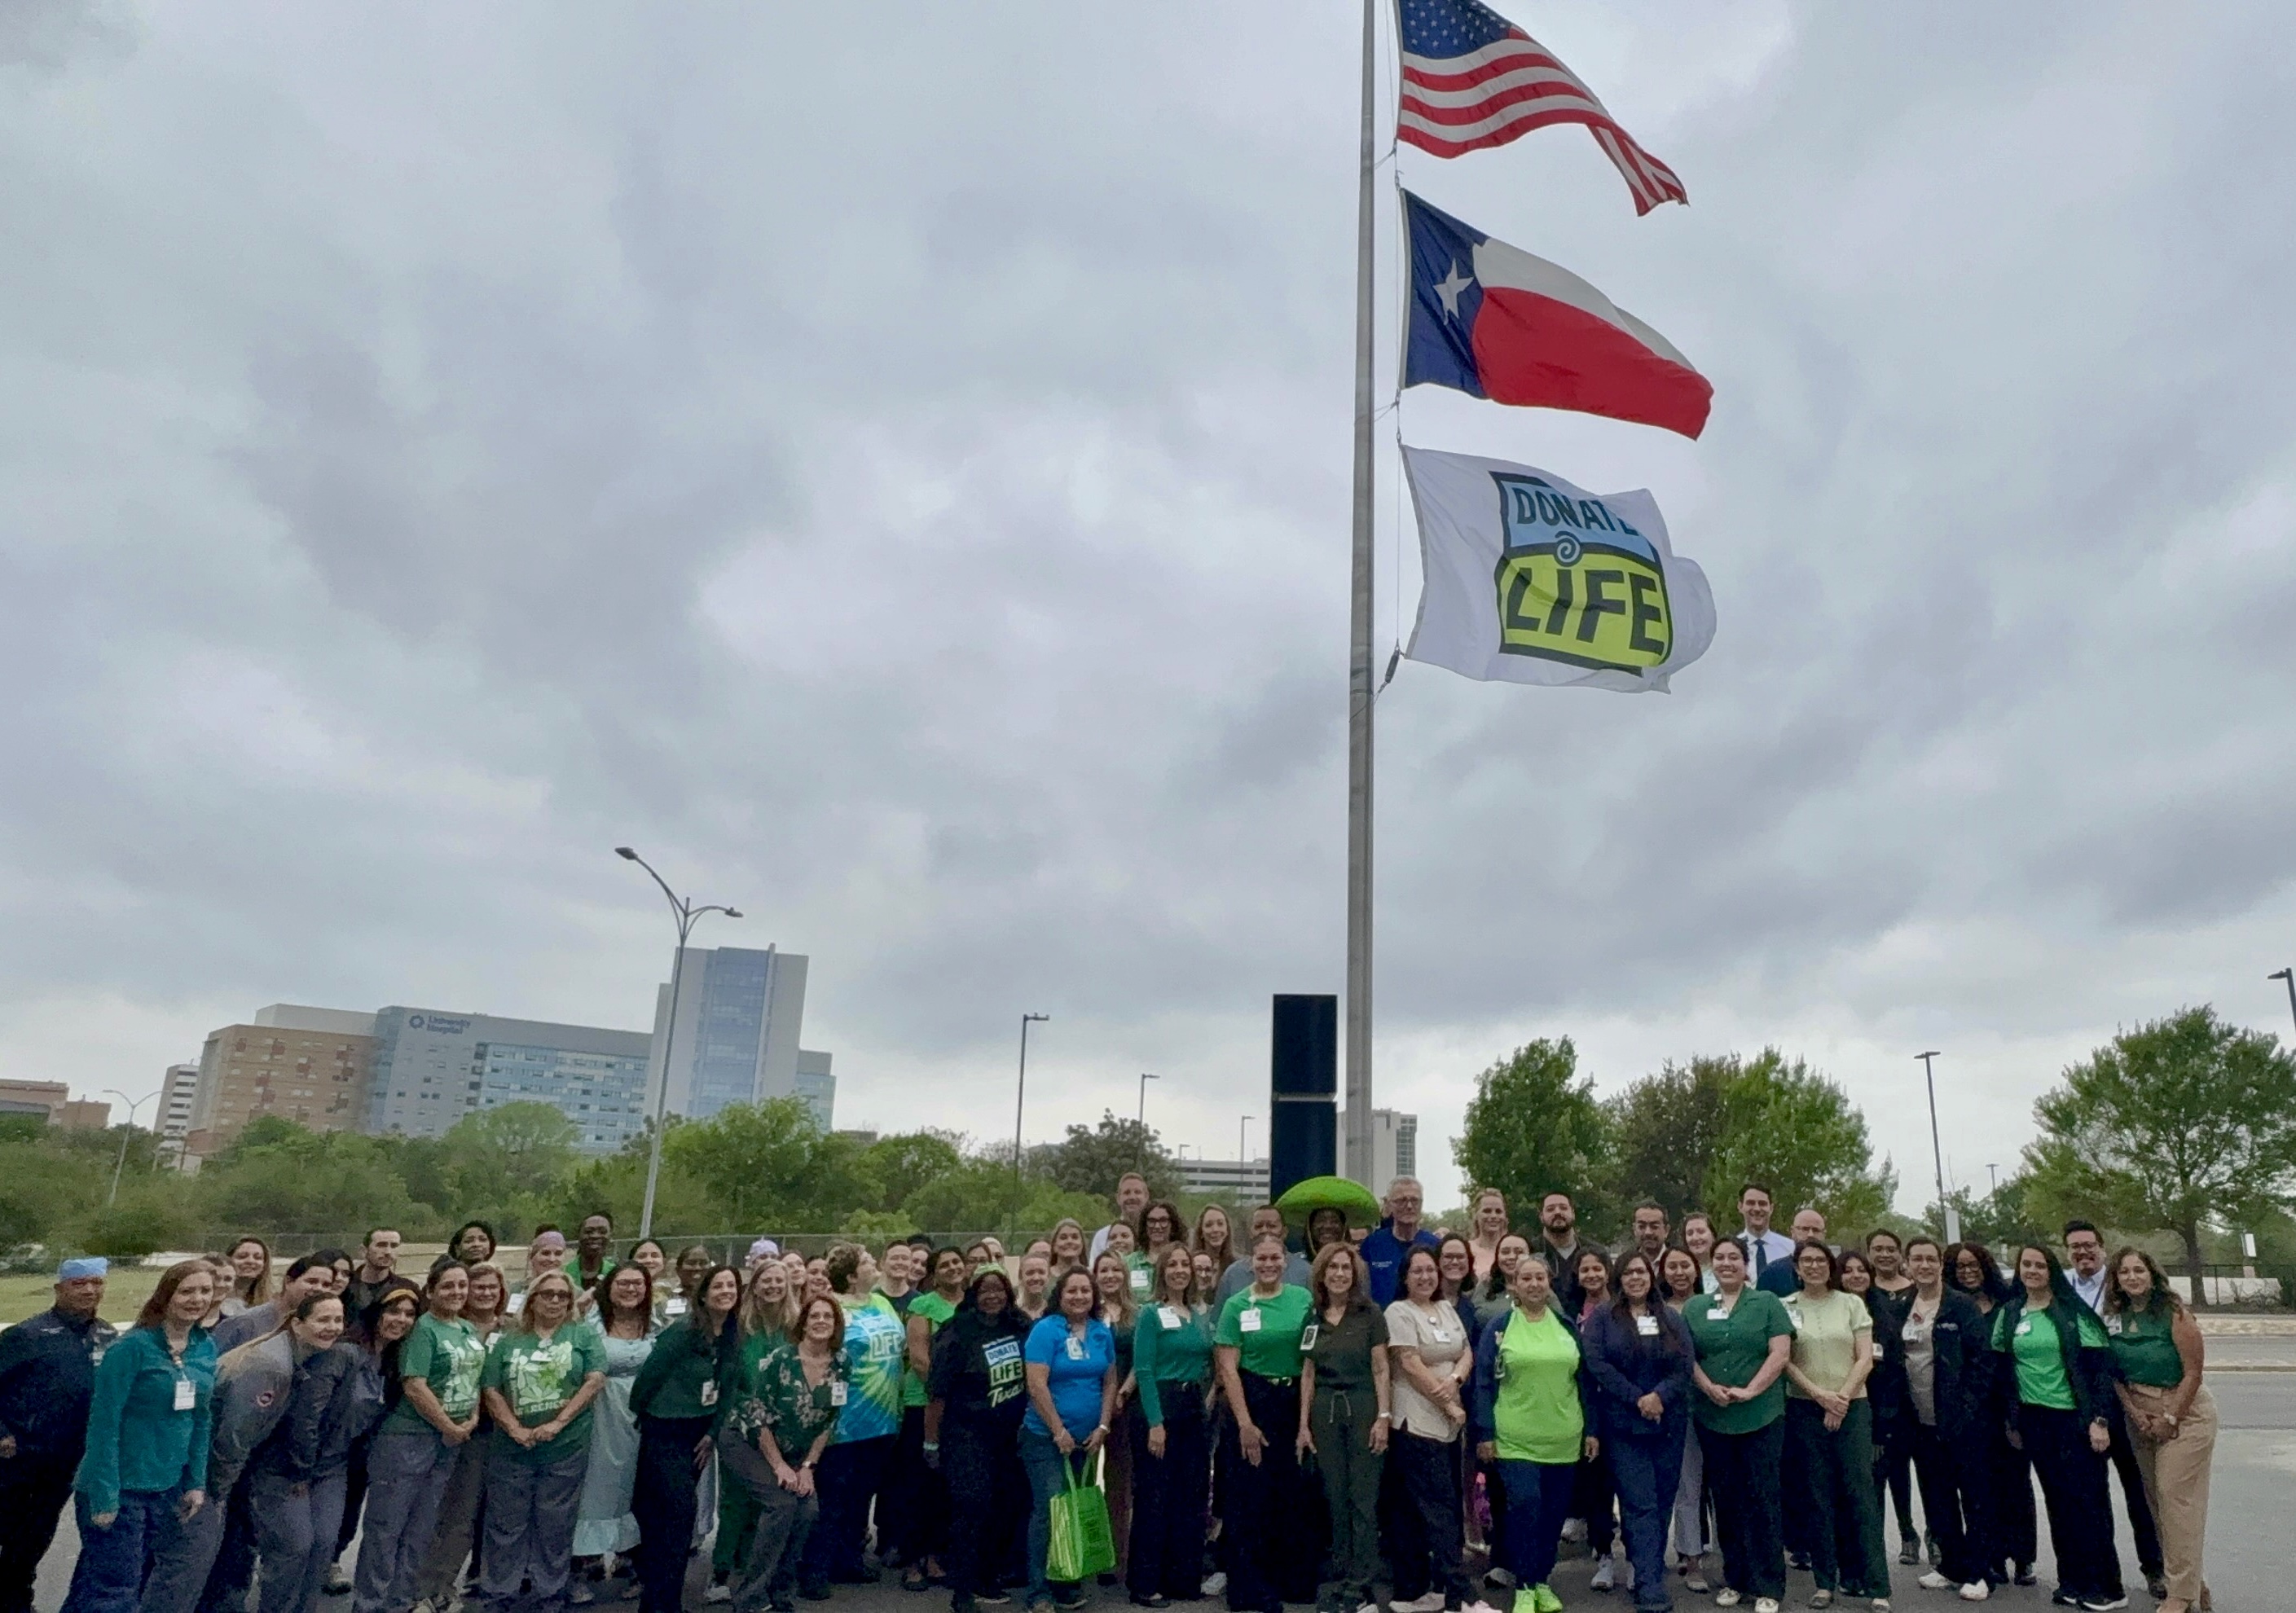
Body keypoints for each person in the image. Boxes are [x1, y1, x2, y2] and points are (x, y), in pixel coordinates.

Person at [61, 1259, 218, 1613]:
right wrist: (104, 1497)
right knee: (116, 1592)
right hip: (118, 1487)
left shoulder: (205, 1347)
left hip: (165, 1488)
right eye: (187, 1291)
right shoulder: (132, 1348)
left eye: (205, 1291)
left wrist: (195, 1482)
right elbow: (103, 1424)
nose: (197, 1299)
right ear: (166, 1295)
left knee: (103, 1584)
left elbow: (200, 1419)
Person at [1993, 1245, 2121, 1612]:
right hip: (2035, 1421)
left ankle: (2106, 1587)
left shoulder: (2071, 1313)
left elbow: (2100, 1371)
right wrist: (2012, 1420)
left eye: (2039, 1265)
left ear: (2051, 1270)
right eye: (2026, 1265)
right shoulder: (2010, 1314)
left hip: (2076, 1421)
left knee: (2088, 1503)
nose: (2032, 1271)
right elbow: (2003, 1371)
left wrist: (2100, 1420)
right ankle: (2072, 1582)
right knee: (2058, 1504)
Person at [476, 1271, 609, 1613]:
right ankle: (499, 1591)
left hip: (565, 1446)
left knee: (556, 1523)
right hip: (512, 1449)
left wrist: (559, 1422)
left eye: (562, 1296)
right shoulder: (508, 1340)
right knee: (506, 1523)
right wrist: (513, 1427)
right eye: (547, 1294)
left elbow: (594, 1380)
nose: (554, 1301)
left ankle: (549, 1590)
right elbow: (491, 1388)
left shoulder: (583, 1335)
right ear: (532, 1298)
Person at [354, 1263, 484, 1613]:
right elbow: (414, 1385)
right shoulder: (423, 1329)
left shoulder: (468, 1329)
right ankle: (369, 1603)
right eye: (448, 1286)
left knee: (421, 1527)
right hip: (408, 1438)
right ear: (431, 1291)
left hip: (450, 1442)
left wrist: (470, 1418)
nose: (457, 1292)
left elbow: (473, 1380)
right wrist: (449, 1426)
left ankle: (400, 1600)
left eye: (462, 1285)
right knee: (387, 1527)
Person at [1471, 1251, 1594, 1613]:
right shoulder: (1499, 1328)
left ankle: (1542, 1581)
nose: (1534, 1284)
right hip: (1515, 1439)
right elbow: (1482, 1384)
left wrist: (1592, 1430)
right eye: (1526, 1278)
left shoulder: (1566, 1325)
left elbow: (1583, 1381)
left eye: (1540, 1278)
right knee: (1525, 1507)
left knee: (1553, 1515)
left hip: (1563, 1438)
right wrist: (1485, 1434)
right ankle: (1524, 1586)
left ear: (1549, 1284)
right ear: (1515, 1285)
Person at [244, 1291, 377, 1613]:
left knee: (322, 1545)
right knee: (294, 1547)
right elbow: (300, 1421)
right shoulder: (276, 1359)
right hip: (283, 1467)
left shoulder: (344, 1355)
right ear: (298, 1324)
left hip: (329, 1467)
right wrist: (300, 1468)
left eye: (336, 1320)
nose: (330, 1327)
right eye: (322, 1320)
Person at [0, 1256, 119, 1613]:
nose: (88, 1290)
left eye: (95, 1283)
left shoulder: (108, 1337)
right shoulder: (26, 1335)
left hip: (67, 1462)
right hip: (18, 1458)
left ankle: (16, 1601)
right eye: (78, 1283)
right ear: (59, 1289)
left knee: (34, 1539)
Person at [1779, 1241, 1889, 1610]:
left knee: (1861, 1495)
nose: (1814, 1267)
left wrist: (1840, 1399)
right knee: (1817, 1496)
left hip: (1853, 1407)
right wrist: (1819, 1396)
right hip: (1805, 1409)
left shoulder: (1851, 1303)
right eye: (1806, 1261)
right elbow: (1785, 1361)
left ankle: (1878, 1586)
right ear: (1797, 1267)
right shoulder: (1785, 1308)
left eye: (1820, 1260)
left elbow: (1865, 1357)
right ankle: (1825, 1582)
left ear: (1831, 1267)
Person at [1581, 1251, 1692, 1613]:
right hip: (1625, 1426)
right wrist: (1638, 1399)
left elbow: (1684, 1365)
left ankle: (1649, 1569)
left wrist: (1659, 1397)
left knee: (1662, 1504)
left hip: (1667, 1424)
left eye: (1641, 1271)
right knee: (1639, 1504)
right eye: (1628, 1272)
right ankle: (1649, 1585)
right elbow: (1597, 1365)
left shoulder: (1670, 1318)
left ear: (1651, 1276)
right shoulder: (1603, 1319)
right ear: (1619, 1278)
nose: (1635, 1278)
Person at [721, 1294, 846, 1613]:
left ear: (836, 1325)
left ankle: (780, 1591)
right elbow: (758, 1416)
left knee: (807, 1510)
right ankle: (749, 1598)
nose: (820, 1322)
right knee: (781, 1504)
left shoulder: (841, 1362)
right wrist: (779, 1466)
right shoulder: (781, 1359)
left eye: (827, 1317)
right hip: (747, 1440)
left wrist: (807, 1467)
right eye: (814, 1316)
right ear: (803, 1323)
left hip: (795, 1453)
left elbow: (829, 1421)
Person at [1685, 1237, 1790, 1613]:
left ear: (1746, 1265)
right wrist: (1708, 1387)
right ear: (1711, 1265)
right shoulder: (1697, 1307)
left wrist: (1751, 1390)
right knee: (1725, 1501)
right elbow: (1689, 1356)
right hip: (1713, 1416)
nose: (1727, 1263)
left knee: (1762, 1499)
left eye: (1734, 1257)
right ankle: (1736, 1579)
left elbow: (1780, 1353)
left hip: (1761, 1416)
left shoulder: (1767, 1304)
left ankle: (1769, 1586)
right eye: (1720, 1258)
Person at [2105, 1247, 2212, 1613]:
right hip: (2140, 1414)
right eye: (2124, 1272)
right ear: (2116, 1279)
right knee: (2157, 1505)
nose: (2132, 1277)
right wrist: (2134, 1413)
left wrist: (2170, 1419)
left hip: (2184, 1414)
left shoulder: (2174, 1314)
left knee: (2174, 1498)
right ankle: (2192, 1583)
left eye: (2139, 1270)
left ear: (2152, 1274)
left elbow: (2194, 1372)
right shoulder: (2112, 1317)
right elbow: (2113, 1373)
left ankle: (2180, 1595)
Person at [1213, 1234, 1317, 1613]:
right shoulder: (1237, 1305)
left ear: (1285, 1262)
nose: (1268, 1264)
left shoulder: (1303, 1301)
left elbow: (1309, 1362)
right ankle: (1249, 1589)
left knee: (1289, 1495)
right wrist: (1244, 1423)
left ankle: (1290, 1581)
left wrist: (1304, 1421)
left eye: (1275, 1258)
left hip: (1291, 1400)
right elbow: (1227, 1366)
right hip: (1252, 1399)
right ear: (1251, 1262)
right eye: (1261, 1258)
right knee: (1249, 1498)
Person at [2062, 1222, 2165, 1599]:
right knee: (2091, 1498)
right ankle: (2103, 1576)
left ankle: (2155, 1568)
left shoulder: (2120, 1284)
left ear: (2102, 1248)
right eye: (2075, 1247)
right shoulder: (2062, 1288)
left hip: (2125, 1403)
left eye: (2089, 1246)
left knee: (2140, 1493)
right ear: (2067, 1252)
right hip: (2079, 1406)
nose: (2083, 1253)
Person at [630, 1266, 737, 1613]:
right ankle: (659, 1601)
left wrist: (712, 1433)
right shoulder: (683, 1333)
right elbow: (648, 1378)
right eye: (718, 1285)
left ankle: (663, 1601)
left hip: (699, 1434)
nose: (725, 1291)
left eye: (731, 1285)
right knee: (677, 1514)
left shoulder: (733, 1335)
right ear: (703, 1295)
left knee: (674, 1526)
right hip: (665, 1431)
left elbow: (728, 1390)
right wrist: (645, 1416)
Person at [802, 1246, 905, 1593]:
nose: (874, 1264)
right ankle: (815, 1570)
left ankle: (849, 1561)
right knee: (832, 1500)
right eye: (866, 1262)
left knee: (861, 1497)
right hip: (842, 1421)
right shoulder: (832, 1308)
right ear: (849, 1275)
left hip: (882, 1421)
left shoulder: (881, 1303)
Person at [1895, 1238, 1992, 1602]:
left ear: (1940, 1264)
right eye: (1917, 1258)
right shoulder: (1903, 1304)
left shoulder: (1961, 1306)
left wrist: (1966, 1409)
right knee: (1937, 1498)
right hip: (1921, 1422)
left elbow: (1982, 1362)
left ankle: (1981, 1571)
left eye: (1930, 1259)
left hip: (1962, 1423)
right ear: (1908, 1264)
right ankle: (1951, 1565)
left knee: (1975, 1497)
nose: (1924, 1265)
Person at [929, 1268, 1030, 1613]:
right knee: (971, 1506)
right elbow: (938, 1393)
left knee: (1004, 1507)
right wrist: (931, 1443)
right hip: (966, 1433)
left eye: (999, 1290)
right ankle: (962, 1588)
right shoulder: (957, 1331)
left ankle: (990, 1575)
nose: (992, 1296)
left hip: (1010, 1435)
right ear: (974, 1295)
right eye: (984, 1291)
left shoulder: (1020, 1326)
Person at [1297, 1244, 1390, 1613]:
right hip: (1324, 1411)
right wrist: (1303, 1425)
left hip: (1364, 1406)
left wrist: (1384, 1417)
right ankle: (1342, 1575)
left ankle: (1362, 1583)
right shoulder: (1313, 1317)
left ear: (1355, 1275)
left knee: (1363, 1499)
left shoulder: (1370, 1314)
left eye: (1346, 1268)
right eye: (1332, 1267)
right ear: (1322, 1274)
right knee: (1335, 1497)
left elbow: (1382, 1368)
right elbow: (1308, 1372)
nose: (1339, 1273)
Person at [1022, 1267, 1119, 1613]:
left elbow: (1109, 1381)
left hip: (1087, 1440)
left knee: (1074, 1510)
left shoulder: (1100, 1333)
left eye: (1085, 1291)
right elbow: (1036, 1385)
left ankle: (1067, 1581)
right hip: (1044, 1438)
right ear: (1059, 1296)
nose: (1079, 1297)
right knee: (1050, 1509)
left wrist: (1104, 1427)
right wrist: (1058, 1431)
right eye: (1071, 1291)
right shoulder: (1045, 1331)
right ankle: (1038, 1590)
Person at [1383, 1245, 1474, 1613]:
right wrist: (1449, 1402)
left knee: (1434, 1508)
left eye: (1430, 1270)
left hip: (1449, 1428)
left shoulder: (1446, 1308)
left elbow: (1466, 1350)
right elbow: (1410, 1364)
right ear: (1405, 1277)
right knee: (1437, 1511)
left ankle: (1419, 1592)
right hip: (1417, 1424)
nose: (1425, 1277)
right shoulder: (1398, 1312)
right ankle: (1460, 1594)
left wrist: (1456, 1378)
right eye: (1417, 1271)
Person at [416, 1263, 509, 1611]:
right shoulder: (446, 1328)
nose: (485, 1293)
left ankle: (450, 1583)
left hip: (499, 1433)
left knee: (472, 1517)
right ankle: (425, 1586)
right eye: (477, 1287)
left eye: (492, 1288)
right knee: (446, 1512)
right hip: (453, 1431)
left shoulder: (513, 1328)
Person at [1128, 1243, 1212, 1608]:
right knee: (1154, 1498)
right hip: (1160, 1405)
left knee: (1190, 1497)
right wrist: (1155, 1422)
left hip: (1193, 1408)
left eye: (1185, 1265)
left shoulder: (1197, 1314)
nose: (1180, 1270)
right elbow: (1144, 1369)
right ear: (1162, 1272)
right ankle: (1145, 1583)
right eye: (1173, 1265)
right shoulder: (1150, 1314)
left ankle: (1182, 1578)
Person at [1946, 1241, 2033, 1588]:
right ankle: (1992, 1556)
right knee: (1980, 1487)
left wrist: (2014, 1416)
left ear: (1986, 1267)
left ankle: (2023, 1557)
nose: (1967, 1272)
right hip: (1969, 1410)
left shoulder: (2009, 1306)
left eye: (1973, 1265)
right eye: (1959, 1267)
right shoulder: (1950, 1308)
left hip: (2008, 1406)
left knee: (2016, 1484)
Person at [573, 1266, 659, 1587]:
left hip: (643, 1415)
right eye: (623, 1283)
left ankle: (630, 1559)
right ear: (608, 1288)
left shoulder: (656, 1324)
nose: (631, 1289)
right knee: (594, 1485)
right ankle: (584, 1562)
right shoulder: (590, 1326)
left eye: (638, 1283)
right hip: (600, 1410)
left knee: (635, 1485)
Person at [897, 1246, 967, 1592]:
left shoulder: (970, 1305)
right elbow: (920, 1360)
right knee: (918, 1483)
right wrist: (942, 1395)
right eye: (945, 1265)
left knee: (946, 1488)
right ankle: (913, 1560)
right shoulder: (922, 1307)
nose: (953, 1268)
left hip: (961, 1412)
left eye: (957, 1262)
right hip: (923, 1405)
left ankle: (937, 1557)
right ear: (933, 1274)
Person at [1858, 1233, 1920, 1567]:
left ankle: (1924, 1534)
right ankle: (1886, 1541)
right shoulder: (1863, 1295)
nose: (1884, 1255)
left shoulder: (1916, 1293)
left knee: (1919, 1471)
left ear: (1901, 1254)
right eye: (1877, 1249)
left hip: (1917, 1395)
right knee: (1882, 1469)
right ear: (1869, 1254)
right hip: (1878, 1397)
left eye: (1891, 1249)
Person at [1657, 1246, 1712, 1593]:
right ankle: (1691, 1558)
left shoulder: (1713, 1305)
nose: (1679, 1272)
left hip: (1717, 1403)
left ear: (1696, 1270)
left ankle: (1729, 1554)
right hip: (1677, 1408)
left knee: (1723, 1486)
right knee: (1687, 1485)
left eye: (1685, 1266)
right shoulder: (1657, 1311)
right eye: (1672, 1266)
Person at [1567, 1250, 1619, 1584]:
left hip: (1621, 1405)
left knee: (1626, 1487)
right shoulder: (1569, 1313)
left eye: (1597, 1268)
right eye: (1585, 1269)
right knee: (1596, 1485)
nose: (1591, 1275)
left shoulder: (1623, 1308)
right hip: (1586, 1407)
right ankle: (1604, 1554)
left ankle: (1639, 1559)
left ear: (1608, 1272)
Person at [1092, 1250, 1141, 1584]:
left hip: (1127, 1403)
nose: (1110, 1275)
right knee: (1081, 1481)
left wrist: (1123, 1391)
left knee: (1120, 1486)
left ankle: (1117, 1559)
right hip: (1088, 1405)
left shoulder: (1136, 1315)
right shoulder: (1085, 1311)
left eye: (1115, 1270)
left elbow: (1144, 1358)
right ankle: (1083, 1553)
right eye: (1103, 1270)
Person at [211, 1256, 336, 1355]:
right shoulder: (246, 1322)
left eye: (326, 1285)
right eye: (312, 1281)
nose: (319, 1288)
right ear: (288, 1281)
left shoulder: (323, 1329)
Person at [1361, 1177, 1442, 1308]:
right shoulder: (1372, 1244)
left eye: (1414, 1200)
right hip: (1381, 1323)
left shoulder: (1435, 1245)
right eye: (1401, 1201)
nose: (1409, 1206)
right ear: (1389, 1204)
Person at [1217, 1207, 1310, 1305]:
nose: (1264, 1230)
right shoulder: (1233, 1274)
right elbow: (1219, 1318)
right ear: (1250, 1232)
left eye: (1272, 1226)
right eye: (1258, 1226)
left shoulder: (1305, 1272)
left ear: (1284, 1232)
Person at [1533, 1193, 1586, 1318]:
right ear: (1541, 1216)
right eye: (1550, 1209)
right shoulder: (1531, 1250)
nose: (1557, 1212)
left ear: (1573, 1213)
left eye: (1563, 1208)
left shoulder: (1592, 1250)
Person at [1731, 1186, 1795, 1289]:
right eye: (1751, 1203)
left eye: (1762, 1204)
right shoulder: (1732, 1249)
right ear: (1740, 1207)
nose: (1757, 1209)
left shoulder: (1790, 1248)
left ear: (1771, 1208)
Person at [1756, 1209, 1825, 1299]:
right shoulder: (1771, 1273)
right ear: (1793, 1232)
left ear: (1824, 1234)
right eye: (1805, 1229)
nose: (1810, 1235)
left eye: (1816, 1230)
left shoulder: (1834, 1271)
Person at [344, 1230, 405, 1321]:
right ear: (364, 1250)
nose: (388, 1251)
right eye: (381, 1245)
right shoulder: (344, 1285)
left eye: (394, 1246)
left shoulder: (406, 1288)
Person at [1092, 1175, 1154, 1263]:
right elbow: (1095, 1271)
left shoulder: (1154, 1234)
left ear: (1146, 1196)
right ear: (1118, 1198)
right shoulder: (1102, 1236)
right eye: (1127, 1193)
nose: (1132, 1197)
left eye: (1137, 1192)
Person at [1467, 1189, 1511, 1286]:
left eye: (1498, 1211)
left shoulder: (1513, 1251)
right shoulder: (1466, 1250)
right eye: (1487, 1211)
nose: (1493, 1216)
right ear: (1476, 1215)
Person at [220, 1240, 273, 1320]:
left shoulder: (269, 1306)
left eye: (257, 1258)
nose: (250, 1261)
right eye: (242, 1256)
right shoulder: (212, 1299)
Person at [571, 1215, 618, 1294]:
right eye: (589, 1231)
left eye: (602, 1232)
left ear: (610, 1237)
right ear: (578, 1236)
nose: (595, 1236)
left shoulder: (616, 1274)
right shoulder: (563, 1273)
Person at [1194, 1206, 1238, 1286]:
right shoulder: (1189, 1264)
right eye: (1208, 1225)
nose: (1215, 1229)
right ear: (1201, 1232)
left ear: (1227, 1230)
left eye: (1220, 1224)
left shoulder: (1237, 1266)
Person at [1680, 1217, 1720, 1294]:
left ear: (1713, 1235)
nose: (1695, 1237)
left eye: (1701, 1232)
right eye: (1690, 1233)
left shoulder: (1725, 1267)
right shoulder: (1680, 1273)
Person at [1629, 1205, 1670, 1269]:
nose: (1648, 1232)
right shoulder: (1624, 1265)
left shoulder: (1678, 1263)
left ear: (1666, 1230)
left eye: (1654, 1227)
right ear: (1634, 1229)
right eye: (1642, 1226)